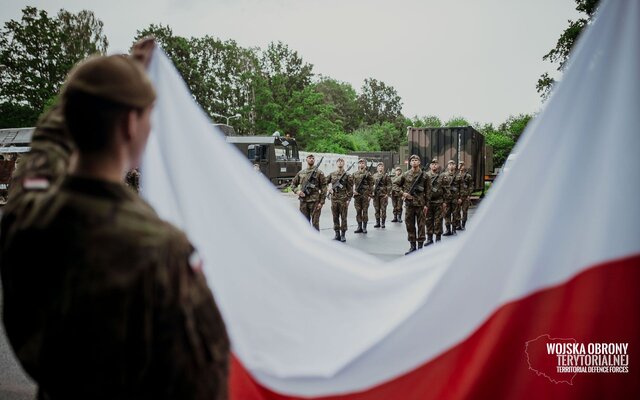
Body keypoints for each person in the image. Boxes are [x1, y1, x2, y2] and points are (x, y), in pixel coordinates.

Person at [0, 40, 230, 399]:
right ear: (129, 124)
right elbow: (205, 377)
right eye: (148, 116)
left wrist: (101, 83)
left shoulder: (26, 210)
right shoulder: (160, 249)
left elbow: (45, 145)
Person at [400, 155, 430, 254]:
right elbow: (395, 185)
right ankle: (412, 246)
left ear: (419, 162)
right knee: (410, 225)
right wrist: (402, 193)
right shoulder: (405, 174)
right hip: (409, 204)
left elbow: (428, 192)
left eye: (416, 160)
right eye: (412, 160)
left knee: (421, 226)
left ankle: (420, 247)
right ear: (410, 163)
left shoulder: (425, 175)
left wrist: (427, 205)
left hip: (420, 205)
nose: (414, 162)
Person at [290, 153, 326, 230]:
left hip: (315, 202)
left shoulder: (319, 173)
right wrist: (297, 191)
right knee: (304, 223)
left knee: (315, 223)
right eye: (309, 158)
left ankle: (316, 240)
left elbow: (324, 188)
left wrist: (321, 202)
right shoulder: (301, 173)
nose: (311, 159)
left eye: (313, 158)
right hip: (303, 201)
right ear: (306, 159)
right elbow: (293, 184)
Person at [327, 158, 354, 241]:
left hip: (343, 199)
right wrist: (329, 189)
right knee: (335, 217)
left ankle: (343, 235)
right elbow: (324, 182)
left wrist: (348, 199)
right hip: (334, 199)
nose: (340, 163)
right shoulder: (332, 174)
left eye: (341, 161)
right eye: (338, 161)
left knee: (343, 217)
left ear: (344, 163)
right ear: (336, 163)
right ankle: (337, 234)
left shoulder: (348, 175)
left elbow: (350, 188)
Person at [425, 158, 446, 245]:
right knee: (428, 221)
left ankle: (438, 239)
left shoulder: (442, 176)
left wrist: (445, 202)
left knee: (438, 221)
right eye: (432, 164)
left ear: (438, 165)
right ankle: (429, 239)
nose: (434, 165)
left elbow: (446, 189)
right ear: (430, 166)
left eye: (436, 164)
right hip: (428, 202)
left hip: (439, 202)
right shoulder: (425, 175)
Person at [352, 158, 373, 233]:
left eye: (363, 163)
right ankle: (359, 226)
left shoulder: (368, 174)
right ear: (358, 164)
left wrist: (370, 195)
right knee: (358, 211)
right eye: (360, 163)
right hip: (357, 196)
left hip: (365, 195)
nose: (361, 164)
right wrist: (353, 191)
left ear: (365, 165)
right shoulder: (354, 174)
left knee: (365, 211)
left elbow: (371, 185)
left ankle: (364, 227)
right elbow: (351, 184)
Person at [441, 160, 459, 236]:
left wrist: (460, 197)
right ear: (447, 166)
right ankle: (448, 229)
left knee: (455, 214)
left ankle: (454, 229)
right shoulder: (443, 175)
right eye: (450, 164)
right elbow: (440, 187)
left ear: (455, 166)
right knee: (446, 214)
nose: (451, 166)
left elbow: (461, 187)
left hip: (455, 198)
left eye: (453, 164)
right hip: (446, 199)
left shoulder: (458, 176)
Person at [371, 162, 391, 228]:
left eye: (381, 166)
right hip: (376, 195)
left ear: (383, 167)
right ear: (377, 168)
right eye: (379, 166)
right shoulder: (374, 176)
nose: (380, 167)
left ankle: (383, 223)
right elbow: (371, 185)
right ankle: (377, 222)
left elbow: (389, 185)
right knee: (377, 209)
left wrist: (387, 194)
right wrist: (371, 192)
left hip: (383, 195)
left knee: (383, 209)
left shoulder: (386, 175)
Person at [457, 161, 473, 230]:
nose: (461, 166)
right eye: (460, 165)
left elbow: (471, 186)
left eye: (462, 165)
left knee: (464, 211)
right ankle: (458, 225)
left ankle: (463, 225)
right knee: (457, 211)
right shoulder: (456, 176)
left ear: (464, 166)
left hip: (465, 197)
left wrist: (469, 195)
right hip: (458, 197)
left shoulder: (468, 176)